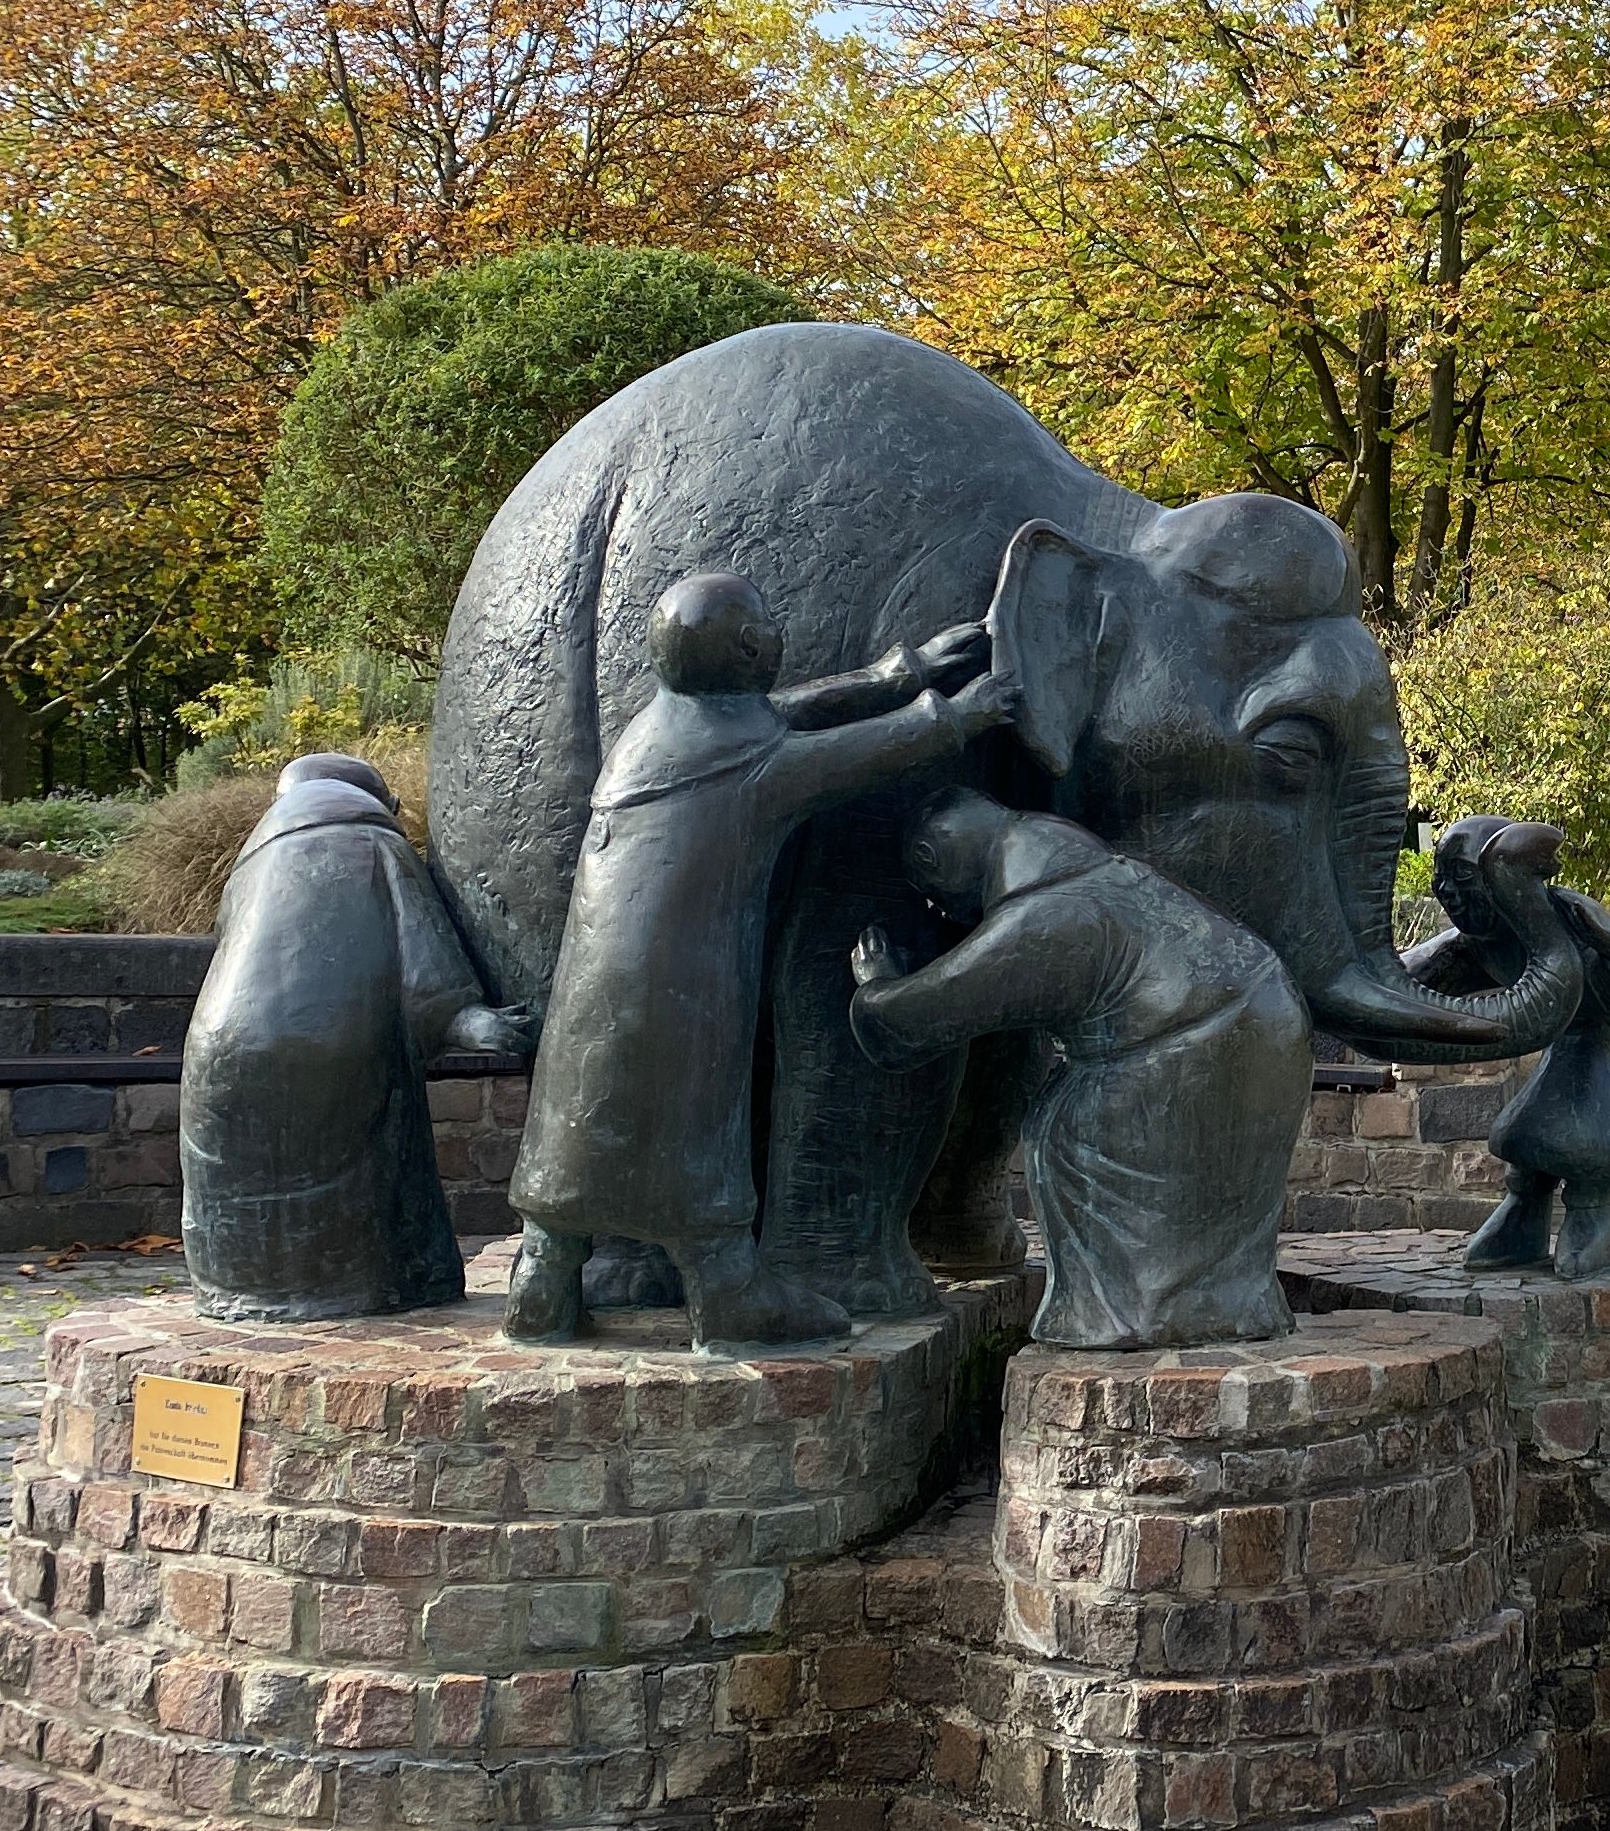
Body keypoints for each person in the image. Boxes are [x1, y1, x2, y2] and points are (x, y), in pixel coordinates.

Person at [506, 572, 1005, 1350]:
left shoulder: (662, 732)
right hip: (682, 996)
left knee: (580, 1104)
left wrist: (896, 675)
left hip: (593, 993)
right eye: (768, 624)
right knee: (685, 1106)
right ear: (749, 647)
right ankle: (726, 1291)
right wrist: (955, 717)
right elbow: (844, 756)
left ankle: (545, 1280)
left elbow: (776, 718)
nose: (778, 636)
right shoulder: (743, 765)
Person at [846, 792, 1309, 1350]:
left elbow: (915, 1021)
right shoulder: (1095, 870)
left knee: (1069, 1132)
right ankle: (1219, 1304)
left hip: (1197, 1046)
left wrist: (876, 987)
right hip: (1265, 1017)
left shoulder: (1045, 914)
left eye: (933, 895)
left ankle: (1133, 1314)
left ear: (933, 858)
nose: (942, 913)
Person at [183, 754, 528, 1323]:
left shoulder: (252, 862)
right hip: (335, 1045)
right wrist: (469, 1018)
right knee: (360, 1184)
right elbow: (422, 959)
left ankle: (239, 1289)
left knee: (244, 1182)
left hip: (221, 1044)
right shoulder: (377, 845)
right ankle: (377, 1287)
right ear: (384, 804)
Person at [1413, 817, 1610, 1284]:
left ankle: (1592, 1215)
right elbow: (1410, 974)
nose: (1448, 891)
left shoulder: (1562, 916)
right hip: (1565, 1032)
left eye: (1463, 878)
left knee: (1594, 1134)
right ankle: (1522, 1213)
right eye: (1440, 878)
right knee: (1529, 1125)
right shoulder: (1475, 944)